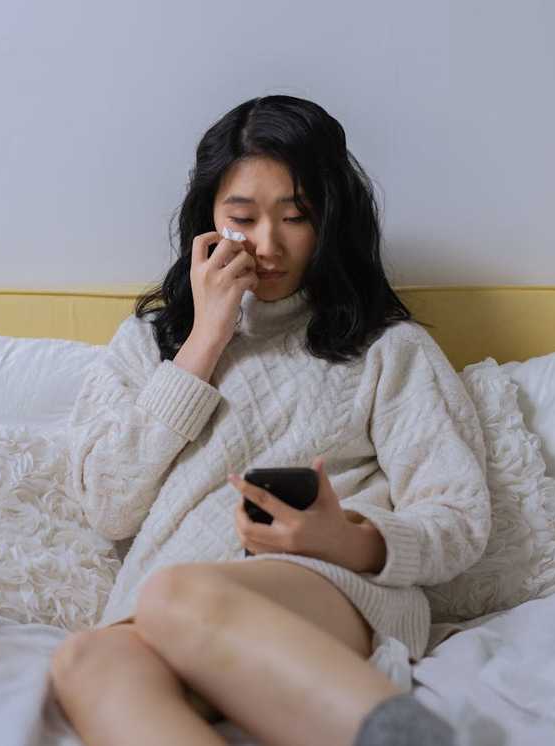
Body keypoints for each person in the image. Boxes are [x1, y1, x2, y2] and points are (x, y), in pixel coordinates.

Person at [50, 95, 489, 746]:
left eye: (296, 217)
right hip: (165, 603)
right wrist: (203, 341)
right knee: (83, 659)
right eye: (242, 218)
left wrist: (351, 539)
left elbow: (460, 518)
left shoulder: (386, 348)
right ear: (208, 221)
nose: (267, 244)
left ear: (330, 221)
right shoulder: (149, 344)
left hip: (331, 587)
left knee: (176, 595)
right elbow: (107, 505)